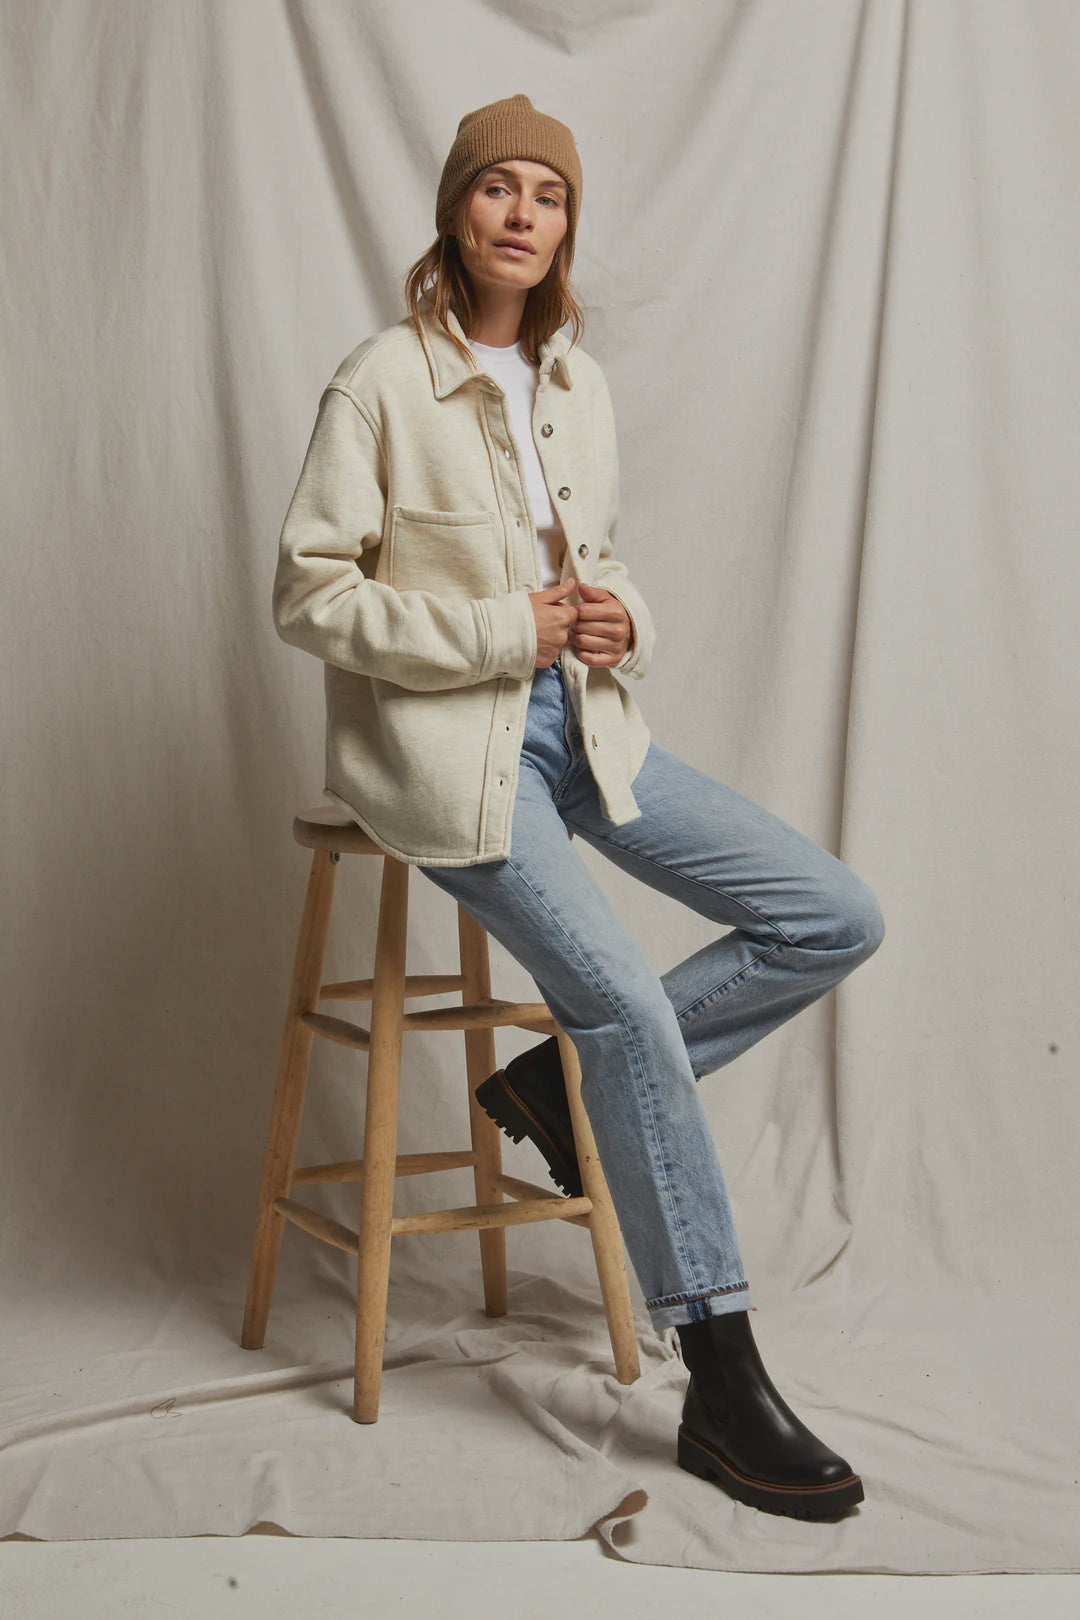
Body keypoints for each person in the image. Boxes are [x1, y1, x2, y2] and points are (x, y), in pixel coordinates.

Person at [272, 93, 885, 1522]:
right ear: (457, 211)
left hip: (586, 734)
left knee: (832, 912)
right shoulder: (381, 381)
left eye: (549, 194)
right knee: (628, 1006)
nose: (524, 214)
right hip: (449, 755)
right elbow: (309, 592)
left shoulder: (577, 384)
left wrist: (622, 624)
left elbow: (594, 569)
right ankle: (722, 1382)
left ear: (565, 229)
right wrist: (506, 633)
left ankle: (552, 1089)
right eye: (500, 188)